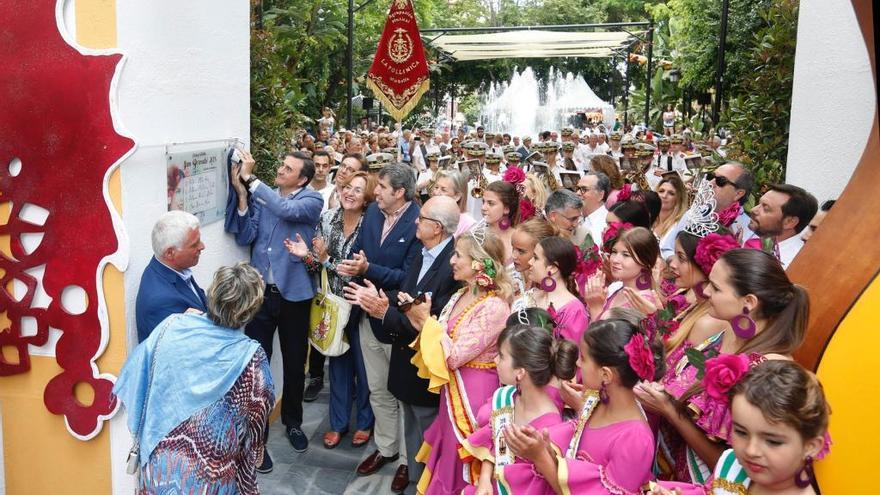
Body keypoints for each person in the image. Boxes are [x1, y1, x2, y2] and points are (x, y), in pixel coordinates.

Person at [635, 248, 810, 484]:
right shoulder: (723, 330)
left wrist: (670, 410)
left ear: (749, 302)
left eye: (716, 288)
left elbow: (737, 470)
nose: (706, 292)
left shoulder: (769, 370)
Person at [114, 262, 275, 491]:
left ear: (212, 294)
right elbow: (258, 417)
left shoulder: (170, 326)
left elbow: (134, 374)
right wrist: (256, 453)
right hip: (211, 474)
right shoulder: (252, 357)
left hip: (159, 463)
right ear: (250, 311)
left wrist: (183, 321)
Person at [348, 195, 463, 494]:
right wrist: (388, 302)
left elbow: (429, 322)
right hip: (407, 362)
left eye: (421, 218)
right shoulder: (425, 253)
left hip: (424, 367)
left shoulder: (451, 266)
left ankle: (426, 484)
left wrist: (382, 310)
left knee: (426, 435)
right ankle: (414, 477)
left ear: (436, 227)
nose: (415, 221)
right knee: (411, 431)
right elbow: (407, 301)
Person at [230, 149, 322, 460]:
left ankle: (293, 423)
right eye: (281, 164)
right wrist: (243, 196)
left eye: (288, 168)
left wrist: (251, 180)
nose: (280, 170)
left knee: (295, 363)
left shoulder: (312, 200)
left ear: (303, 178)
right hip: (261, 295)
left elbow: (284, 210)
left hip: (295, 296)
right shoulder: (263, 197)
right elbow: (247, 235)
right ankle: (258, 437)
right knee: (258, 365)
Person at [505, 317, 666, 494]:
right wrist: (542, 446)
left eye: (583, 358)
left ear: (605, 374)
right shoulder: (595, 402)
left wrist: (540, 457)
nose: (578, 363)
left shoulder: (635, 439)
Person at [406, 231, 513, 494]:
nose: (451, 260)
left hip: (471, 398)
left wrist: (425, 321)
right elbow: (442, 338)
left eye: (458, 255)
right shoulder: (462, 293)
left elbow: (453, 356)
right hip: (452, 390)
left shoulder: (494, 307)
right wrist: (422, 320)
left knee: (460, 455)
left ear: (479, 262)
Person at [338, 163, 423, 478]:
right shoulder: (373, 213)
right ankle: (386, 448)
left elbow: (409, 277)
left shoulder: (419, 221)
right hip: (365, 314)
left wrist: (368, 269)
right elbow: (363, 252)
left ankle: (406, 459)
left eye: (383, 188)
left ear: (400, 193)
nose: (376, 192)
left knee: (402, 391)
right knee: (376, 388)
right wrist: (356, 267)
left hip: (396, 318)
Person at [284, 171, 377, 451]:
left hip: (361, 305)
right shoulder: (327, 218)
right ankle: (337, 424)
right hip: (333, 305)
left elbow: (357, 271)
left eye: (358, 190)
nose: (349, 193)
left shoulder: (372, 224)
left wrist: (324, 259)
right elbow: (317, 268)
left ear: (367, 198)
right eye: (347, 187)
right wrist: (308, 257)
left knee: (364, 369)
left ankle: (364, 423)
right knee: (337, 365)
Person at [648, 360, 830, 495]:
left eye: (773, 441)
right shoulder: (732, 462)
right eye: (741, 432)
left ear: (811, 446)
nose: (751, 450)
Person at [461, 324, 578, 495]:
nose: (495, 360)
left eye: (501, 356)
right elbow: (495, 440)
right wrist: (485, 478)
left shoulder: (550, 428)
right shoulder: (508, 397)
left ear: (520, 372)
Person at [135, 210, 206, 342]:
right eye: (194, 244)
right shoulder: (161, 300)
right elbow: (187, 350)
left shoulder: (172, 267)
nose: (202, 246)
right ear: (170, 253)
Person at [661, 162, 755, 259]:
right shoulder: (696, 212)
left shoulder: (748, 232)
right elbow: (666, 247)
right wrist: (676, 262)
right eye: (711, 177)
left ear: (738, 194)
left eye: (720, 181)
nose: (710, 183)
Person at [525, 236, 590, 345]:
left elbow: (571, 356)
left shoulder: (574, 311)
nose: (530, 262)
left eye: (535, 258)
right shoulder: (531, 295)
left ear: (553, 268)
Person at [585, 226, 659, 320]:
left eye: (626, 255)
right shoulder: (618, 289)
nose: (615, 260)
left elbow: (603, 334)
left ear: (645, 262)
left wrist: (596, 307)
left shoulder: (643, 302)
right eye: (614, 252)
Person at [748, 184, 818, 269]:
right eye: (759, 204)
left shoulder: (791, 266)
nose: (753, 210)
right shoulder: (757, 240)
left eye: (766, 208)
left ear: (789, 222)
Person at [510, 219, 559, 304]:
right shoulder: (512, 273)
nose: (513, 256)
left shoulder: (551, 288)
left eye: (521, 251)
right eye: (513, 248)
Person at [481, 180, 521, 263]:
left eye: (491, 203)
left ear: (506, 208)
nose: (483, 208)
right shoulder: (477, 235)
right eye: (483, 202)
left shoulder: (519, 238)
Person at [431, 169, 477, 236]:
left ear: (457, 196)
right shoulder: (429, 215)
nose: (436, 192)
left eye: (443, 190)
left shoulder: (469, 225)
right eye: (436, 187)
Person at [572, 172, 609, 247]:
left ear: (600, 195)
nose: (578, 193)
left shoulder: (605, 224)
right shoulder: (574, 217)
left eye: (584, 189)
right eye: (577, 188)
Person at [653, 175, 689, 246]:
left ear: (678, 199)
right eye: (661, 191)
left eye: (671, 193)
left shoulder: (680, 225)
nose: (664, 196)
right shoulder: (649, 219)